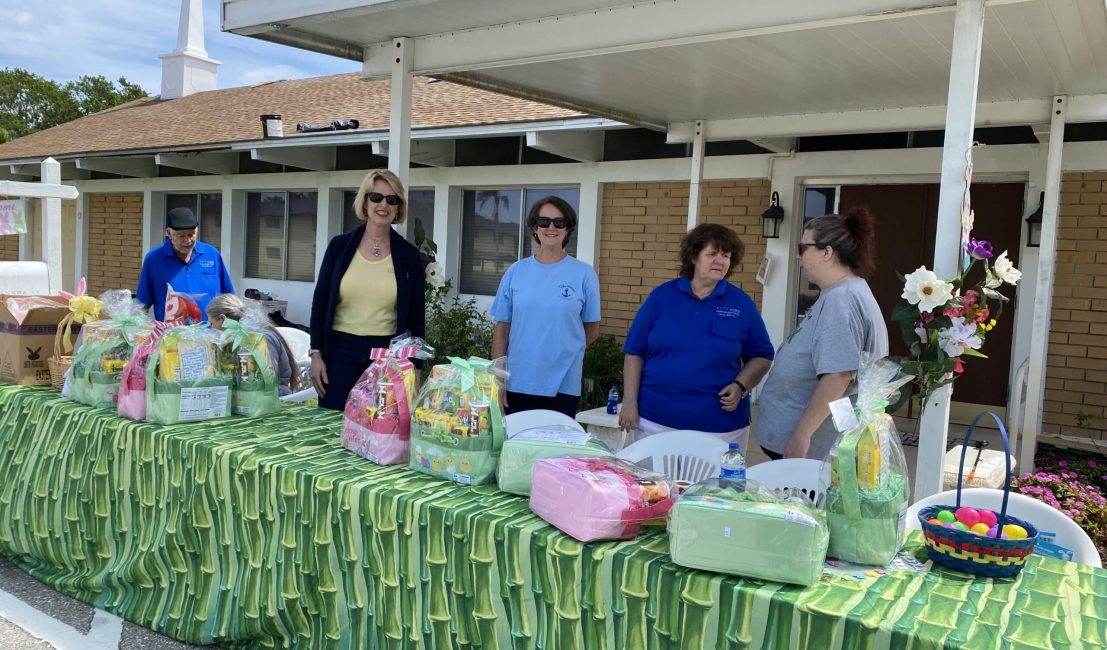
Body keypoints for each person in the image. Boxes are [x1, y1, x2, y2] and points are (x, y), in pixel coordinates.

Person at [618, 223, 774, 447]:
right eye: (712, 254)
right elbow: (634, 352)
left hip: (720, 429)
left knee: (712, 484)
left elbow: (762, 355)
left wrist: (741, 386)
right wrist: (629, 402)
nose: (720, 261)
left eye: (726, 256)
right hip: (654, 422)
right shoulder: (662, 297)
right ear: (693, 257)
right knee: (652, 483)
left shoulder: (741, 304)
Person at [755, 207, 888, 460]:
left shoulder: (842, 300)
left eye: (803, 248)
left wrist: (802, 435)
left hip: (812, 452)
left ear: (827, 252)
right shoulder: (840, 293)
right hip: (813, 448)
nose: (798, 256)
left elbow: (838, 375)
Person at [309, 169, 425, 411]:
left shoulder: (409, 256)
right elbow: (320, 303)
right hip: (340, 353)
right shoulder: (339, 247)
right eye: (376, 197)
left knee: (379, 433)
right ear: (364, 201)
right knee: (332, 426)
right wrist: (316, 355)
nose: (384, 205)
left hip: (386, 358)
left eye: (392, 200)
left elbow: (417, 316)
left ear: (398, 207)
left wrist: (415, 367)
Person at [491, 196, 601, 418]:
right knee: (516, 449)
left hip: (563, 385)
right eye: (544, 222)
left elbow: (591, 330)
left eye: (559, 222)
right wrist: (497, 378)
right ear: (535, 227)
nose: (551, 227)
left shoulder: (584, 275)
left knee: (555, 451)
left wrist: (562, 352)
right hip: (517, 382)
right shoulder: (516, 272)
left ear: (568, 229)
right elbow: (502, 328)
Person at [136, 206, 234, 321]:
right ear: (169, 233)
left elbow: (228, 297)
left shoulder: (212, 254)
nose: (187, 241)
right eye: (181, 235)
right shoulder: (153, 259)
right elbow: (141, 305)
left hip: (210, 334)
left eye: (191, 234)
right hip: (171, 335)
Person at [206, 294, 303, 396]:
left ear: (222, 318)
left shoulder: (259, 337)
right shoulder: (240, 335)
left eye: (211, 323)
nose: (211, 329)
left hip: (273, 398)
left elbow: (268, 377)